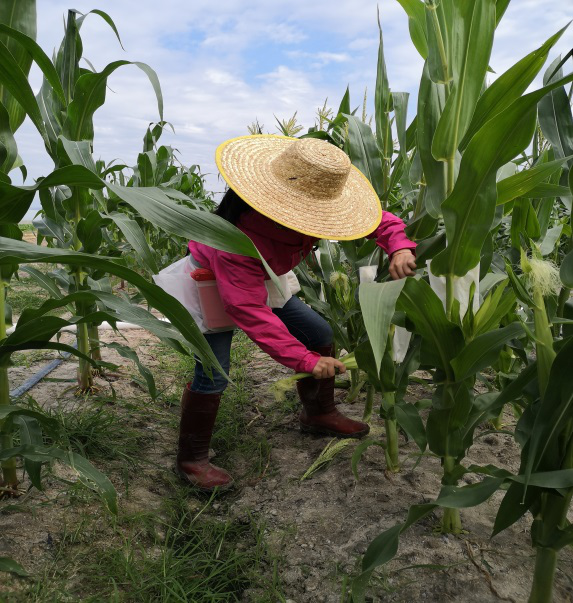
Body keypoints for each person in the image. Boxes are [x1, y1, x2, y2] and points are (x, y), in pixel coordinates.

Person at [177, 135, 417, 490]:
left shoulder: (305, 213)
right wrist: (304, 361)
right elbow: (245, 307)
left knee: (320, 335)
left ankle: (318, 413)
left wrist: (398, 248)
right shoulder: (239, 240)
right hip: (210, 282)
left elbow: (377, 220)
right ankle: (191, 458)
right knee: (214, 372)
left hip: (266, 274)